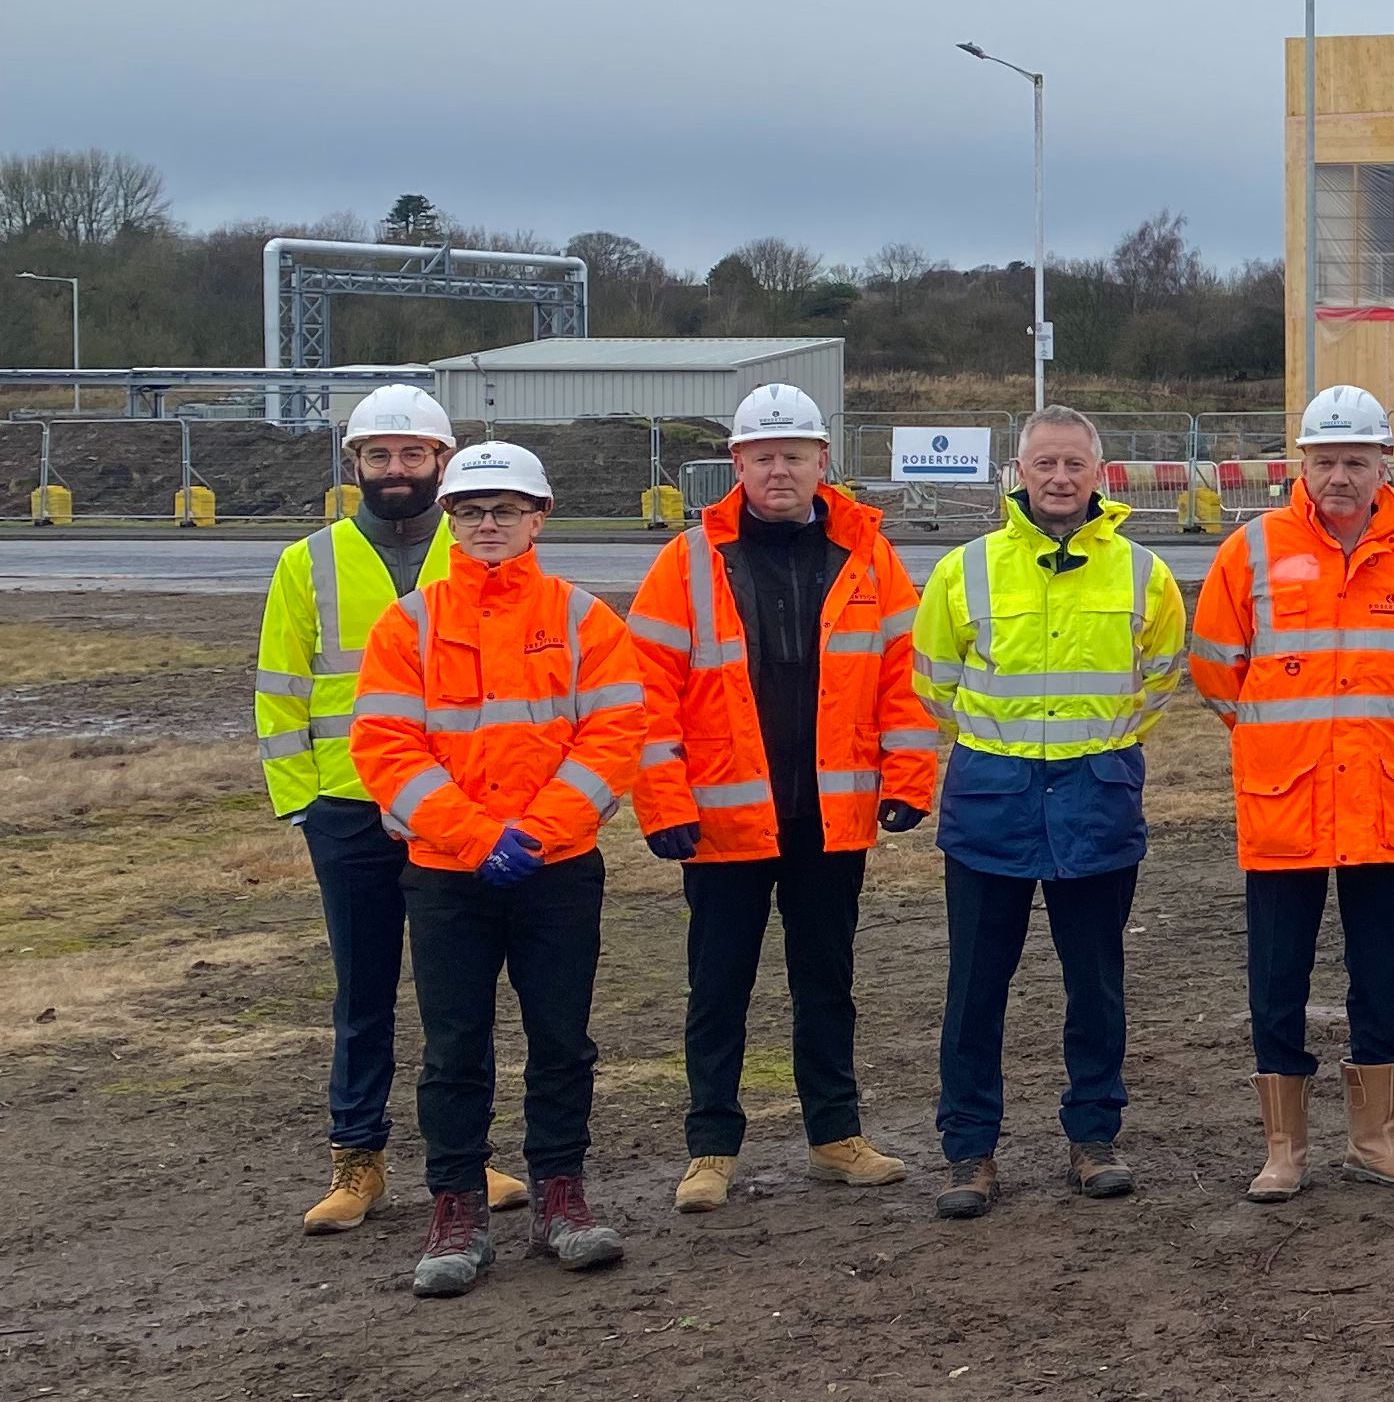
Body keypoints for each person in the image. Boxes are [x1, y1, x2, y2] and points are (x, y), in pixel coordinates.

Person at [628, 382, 936, 1213]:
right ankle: (710, 1148)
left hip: (829, 819)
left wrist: (907, 779)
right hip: (723, 820)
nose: (778, 469)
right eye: (762, 455)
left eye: (794, 454)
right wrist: (664, 803)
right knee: (717, 987)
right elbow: (645, 692)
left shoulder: (869, 555)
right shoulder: (689, 561)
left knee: (826, 981)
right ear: (735, 464)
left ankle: (835, 1136)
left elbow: (904, 679)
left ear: (822, 461)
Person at [349, 440, 643, 1297]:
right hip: (447, 872)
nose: (487, 524)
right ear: (449, 519)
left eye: (504, 510)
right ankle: (457, 1205)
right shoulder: (409, 624)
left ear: (538, 517)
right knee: (453, 1047)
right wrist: (479, 838)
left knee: (561, 1040)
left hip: (557, 871)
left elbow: (614, 737)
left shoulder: (586, 620)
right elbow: (386, 746)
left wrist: (539, 832)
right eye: (471, 511)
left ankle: (562, 1194)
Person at [1191, 384, 1394, 1201]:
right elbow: (1214, 669)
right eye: (1325, 461)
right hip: (1286, 798)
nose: (1340, 476)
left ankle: (1377, 1137)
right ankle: (1285, 1147)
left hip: (1381, 796)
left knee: (1378, 969)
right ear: (1300, 465)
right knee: (1277, 974)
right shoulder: (1248, 551)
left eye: (1356, 460)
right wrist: (1275, 737)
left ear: (1386, 464)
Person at [257, 382, 525, 1230]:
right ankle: (357, 1161)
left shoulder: (480, 550)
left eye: (413, 453)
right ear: (355, 464)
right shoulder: (310, 561)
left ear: (441, 463)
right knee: (362, 992)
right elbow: (279, 690)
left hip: (454, 810)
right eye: (380, 454)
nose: (396, 468)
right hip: (348, 809)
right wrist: (304, 804)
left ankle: (468, 1158)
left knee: (459, 995)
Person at [911, 407, 1190, 1218]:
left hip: (1095, 804)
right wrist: (1006, 745)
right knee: (974, 987)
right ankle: (969, 1150)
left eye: (1074, 464)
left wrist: (1096, 746)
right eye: (1045, 464)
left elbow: (1161, 673)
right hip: (991, 807)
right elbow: (935, 680)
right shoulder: (965, 570)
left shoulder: (1142, 574)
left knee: (1096, 984)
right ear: (1018, 473)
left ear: (1099, 475)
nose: (1060, 478)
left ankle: (1094, 1135)